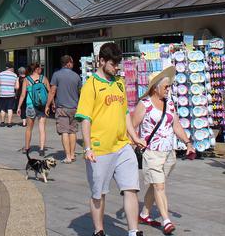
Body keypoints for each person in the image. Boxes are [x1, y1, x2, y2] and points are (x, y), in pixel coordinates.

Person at [75, 42, 146, 236]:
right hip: (99, 149)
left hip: (122, 146)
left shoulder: (119, 83)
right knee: (99, 193)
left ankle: (134, 231)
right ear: (102, 61)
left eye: (118, 64)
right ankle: (99, 231)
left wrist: (135, 137)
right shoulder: (91, 86)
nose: (117, 68)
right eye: (113, 64)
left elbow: (125, 114)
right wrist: (88, 148)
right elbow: (85, 119)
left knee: (131, 188)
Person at [131, 67, 195, 235]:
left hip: (168, 154)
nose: (169, 89)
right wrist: (134, 143)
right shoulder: (144, 104)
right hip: (151, 152)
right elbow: (131, 126)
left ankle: (144, 214)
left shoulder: (169, 103)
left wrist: (188, 143)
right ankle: (166, 220)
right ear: (155, 87)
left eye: (169, 86)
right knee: (159, 186)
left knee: (156, 184)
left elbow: (176, 125)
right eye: (166, 87)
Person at [47, 55, 82, 163]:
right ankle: (72, 155)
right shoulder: (77, 76)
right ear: (68, 63)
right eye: (72, 62)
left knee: (64, 132)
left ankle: (67, 156)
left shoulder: (56, 75)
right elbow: (80, 92)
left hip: (62, 108)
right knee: (72, 131)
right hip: (74, 108)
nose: (73, 64)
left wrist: (47, 105)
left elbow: (52, 91)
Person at [16, 62, 50, 156]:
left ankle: (27, 148)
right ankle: (42, 149)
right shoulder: (44, 79)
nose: (41, 69)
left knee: (29, 128)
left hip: (30, 106)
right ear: (36, 69)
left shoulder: (27, 80)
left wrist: (19, 107)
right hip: (42, 106)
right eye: (40, 68)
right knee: (42, 128)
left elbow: (23, 95)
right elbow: (50, 92)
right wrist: (52, 104)